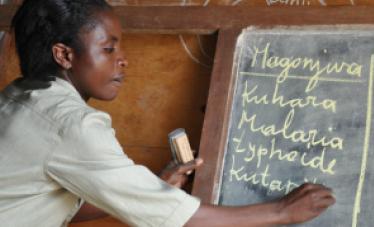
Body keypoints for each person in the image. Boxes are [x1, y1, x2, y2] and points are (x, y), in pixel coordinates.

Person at [0, 0, 335, 226]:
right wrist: (281, 211)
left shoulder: (19, 97)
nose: (122, 59)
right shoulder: (73, 125)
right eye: (108, 48)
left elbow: (46, 203)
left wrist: (153, 187)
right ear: (64, 54)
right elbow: (180, 219)